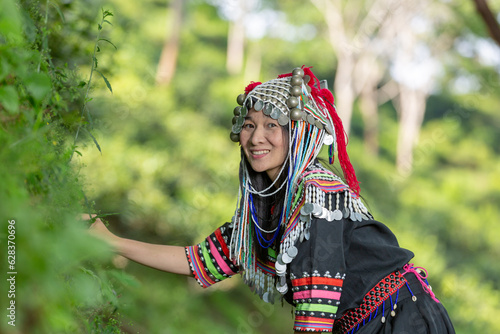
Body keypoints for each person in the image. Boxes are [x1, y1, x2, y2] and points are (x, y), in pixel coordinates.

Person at [89, 66, 455, 333]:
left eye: (272, 126)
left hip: (402, 320)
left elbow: (315, 315)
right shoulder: (267, 206)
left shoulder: (318, 199)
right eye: (249, 124)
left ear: (297, 134)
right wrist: (113, 242)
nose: (256, 138)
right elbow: (199, 262)